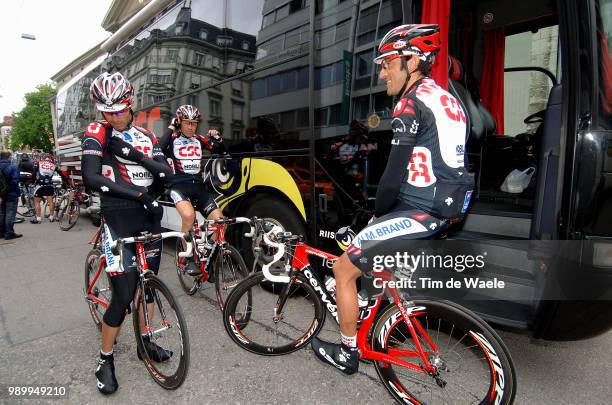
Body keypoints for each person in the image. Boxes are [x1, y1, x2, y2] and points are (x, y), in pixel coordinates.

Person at [311, 24, 474, 374]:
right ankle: (375, 309)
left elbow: (391, 178)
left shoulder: (409, 104)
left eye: (387, 63)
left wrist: (374, 212)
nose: (382, 72)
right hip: (447, 203)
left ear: (412, 61)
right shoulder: (448, 98)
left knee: (342, 269)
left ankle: (347, 352)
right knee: (374, 255)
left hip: (422, 208)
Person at [81, 71, 173, 395]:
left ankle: (145, 342)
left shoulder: (147, 136)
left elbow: (165, 172)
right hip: (118, 217)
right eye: (107, 111)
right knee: (122, 295)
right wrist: (138, 195)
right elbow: (91, 177)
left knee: (147, 288)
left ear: (131, 102)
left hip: (148, 219)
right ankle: (105, 359)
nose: (114, 117)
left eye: (119, 109)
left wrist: (145, 168)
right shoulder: (98, 132)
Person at [158, 104, 226, 276]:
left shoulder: (199, 139)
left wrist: (217, 138)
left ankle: (208, 252)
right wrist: (171, 127)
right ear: (180, 122)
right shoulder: (172, 139)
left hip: (198, 187)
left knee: (221, 223)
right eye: (187, 122)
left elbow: (221, 150)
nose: (190, 126)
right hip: (179, 187)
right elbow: (158, 147)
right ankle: (187, 258)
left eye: (194, 123)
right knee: (189, 216)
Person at [29, 155, 62, 223]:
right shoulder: (53, 165)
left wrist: (32, 182)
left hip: (41, 185)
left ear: (43, 159)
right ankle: (51, 217)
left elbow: (34, 172)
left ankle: (38, 219)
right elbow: (61, 173)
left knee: (37, 201)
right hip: (50, 186)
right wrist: (67, 182)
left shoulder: (39, 163)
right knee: (50, 201)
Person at [0, 151, 22, 240]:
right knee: (10, 213)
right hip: (11, 194)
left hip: (0, 195)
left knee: (1, 213)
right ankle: (9, 233)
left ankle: (1, 233)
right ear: (9, 157)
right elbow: (15, 180)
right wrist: (6, 190)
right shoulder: (12, 167)